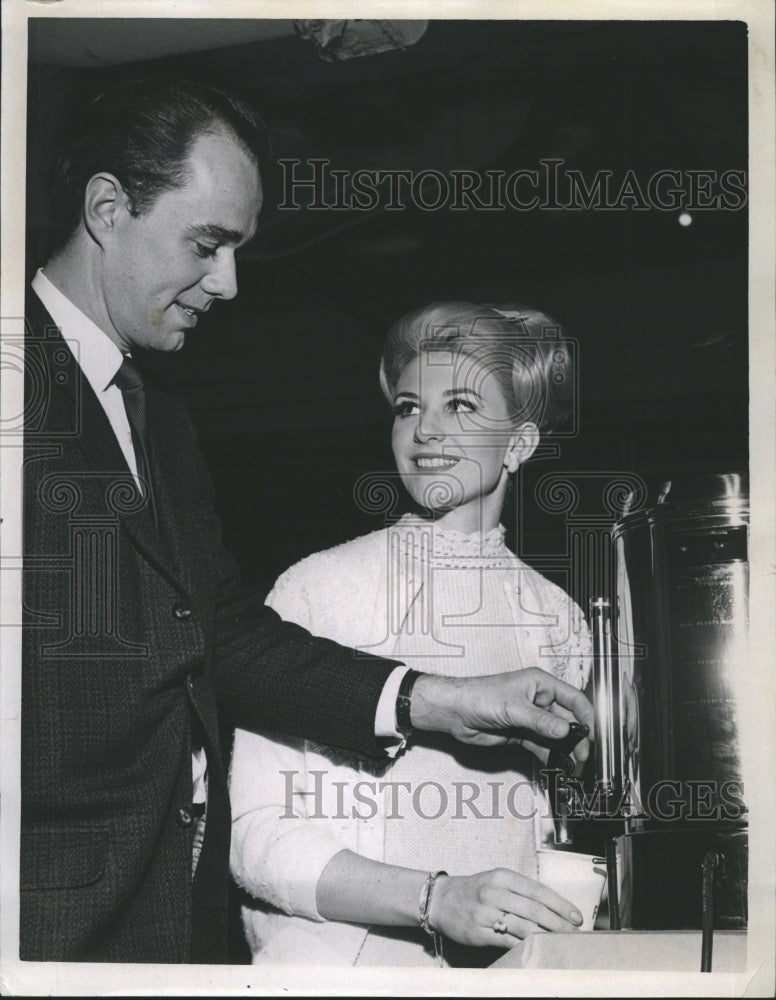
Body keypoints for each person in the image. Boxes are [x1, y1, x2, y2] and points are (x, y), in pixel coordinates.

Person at [21, 79, 593, 964]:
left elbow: (219, 637)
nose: (231, 282)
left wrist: (435, 700)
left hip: (143, 915)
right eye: (208, 244)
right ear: (107, 208)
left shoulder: (157, 419)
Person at [229, 301, 593, 967]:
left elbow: (541, 833)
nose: (424, 430)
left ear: (520, 443)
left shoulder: (557, 619)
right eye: (406, 406)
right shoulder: (318, 590)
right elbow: (256, 840)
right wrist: (437, 900)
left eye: (458, 405)